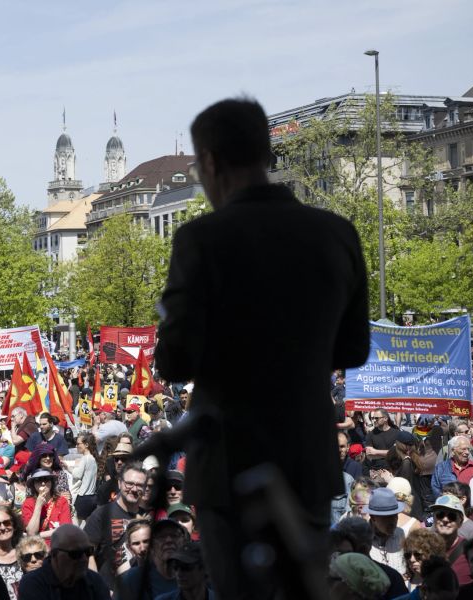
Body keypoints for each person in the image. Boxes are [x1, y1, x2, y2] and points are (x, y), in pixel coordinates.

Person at [154, 98, 370, 600]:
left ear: (208, 162)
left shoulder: (201, 240)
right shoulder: (337, 234)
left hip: (228, 461)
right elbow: (355, 349)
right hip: (307, 458)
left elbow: (174, 361)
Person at [84, 462, 148, 587]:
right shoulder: (102, 514)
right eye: (129, 483)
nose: (134, 489)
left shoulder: (147, 517)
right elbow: (86, 553)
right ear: (120, 483)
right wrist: (98, 587)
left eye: (140, 485)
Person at [18, 524, 110, 600]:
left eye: (87, 552)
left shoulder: (95, 581)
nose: (84, 559)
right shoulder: (33, 584)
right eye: (75, 553)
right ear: (54, 554)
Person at [330, 517, 409, 600]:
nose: (339, 559)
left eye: (346, 554)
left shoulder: (391, 578)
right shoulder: (392, 576)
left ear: (363, 549)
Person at [117, 518, 188, 599]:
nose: (168, 540)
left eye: (174, 535)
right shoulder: (134, 579)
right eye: (162, 537)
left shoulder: (195, 575)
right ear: (152, 545)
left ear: (184, 541)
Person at [429, 495, 472, 585]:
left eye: (452, 516)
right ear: (434, 518)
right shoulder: (425, 549)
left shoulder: (471, 551)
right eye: (440, 514)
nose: (445, 519)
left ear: (460, 521)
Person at [22, 469, 71, 542]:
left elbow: (65, 529)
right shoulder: (28, 503)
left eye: (46, 479)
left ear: (51, 482)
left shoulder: (62, 501)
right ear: (33, 484)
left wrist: (38, 536)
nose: (43, 483)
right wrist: (38, 505)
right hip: (36, 546)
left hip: (56, 544)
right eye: (38, 480)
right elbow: (31, 532)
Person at [401, 529, 447, 593]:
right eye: (408, 555)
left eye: (417, 554)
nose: (412, 560)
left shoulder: (445, 582)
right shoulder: (402, 583)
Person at [70, 433, 100, 520]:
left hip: (83, 497)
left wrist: (73, 466)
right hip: (92, 497)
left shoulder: (85, 458)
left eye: (78, 444)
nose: (77, 446)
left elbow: (77, 475)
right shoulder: (93, 458)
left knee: (78, 524)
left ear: (86, 445)